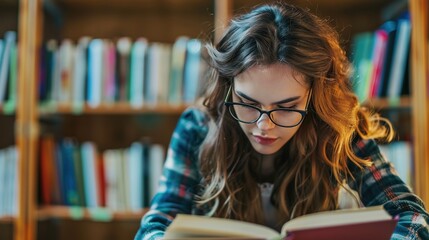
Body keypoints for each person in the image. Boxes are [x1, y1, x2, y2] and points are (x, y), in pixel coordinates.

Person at [135, 3, 429, 240]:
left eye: (287, 107)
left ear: (314, 98)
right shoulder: (197, 127)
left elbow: (410, 214)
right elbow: (157, 223)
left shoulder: (343, 130)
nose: (264, 126)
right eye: (248, 104)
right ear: (228, 87)